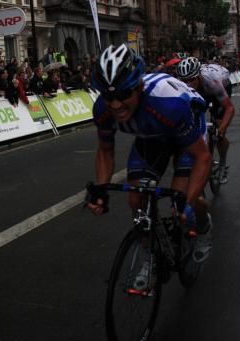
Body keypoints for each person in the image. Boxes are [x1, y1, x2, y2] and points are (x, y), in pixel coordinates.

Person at [89, 44, 212, 277]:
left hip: (185, 130)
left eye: (124, 94)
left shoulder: (168, 104)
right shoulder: (102, 109)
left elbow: (203, 157)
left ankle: (205, 226)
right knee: (135, 199)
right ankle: (150, 254)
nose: (115, 105)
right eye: (109, 96)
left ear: (140, 87)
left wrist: (188, 201)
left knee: (182, 203)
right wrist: (101, 190)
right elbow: (105, 150)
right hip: (152, 135)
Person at [177, 57, 235, 184]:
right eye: (184, 81)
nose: (188, 84)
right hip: (201, 92)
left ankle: (223, 163)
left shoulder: (211, 81)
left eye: (192, 80)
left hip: (219, 87)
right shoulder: (182, 84)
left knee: (219, 128)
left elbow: (230, 108)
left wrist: (221, 129)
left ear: (198, 76)